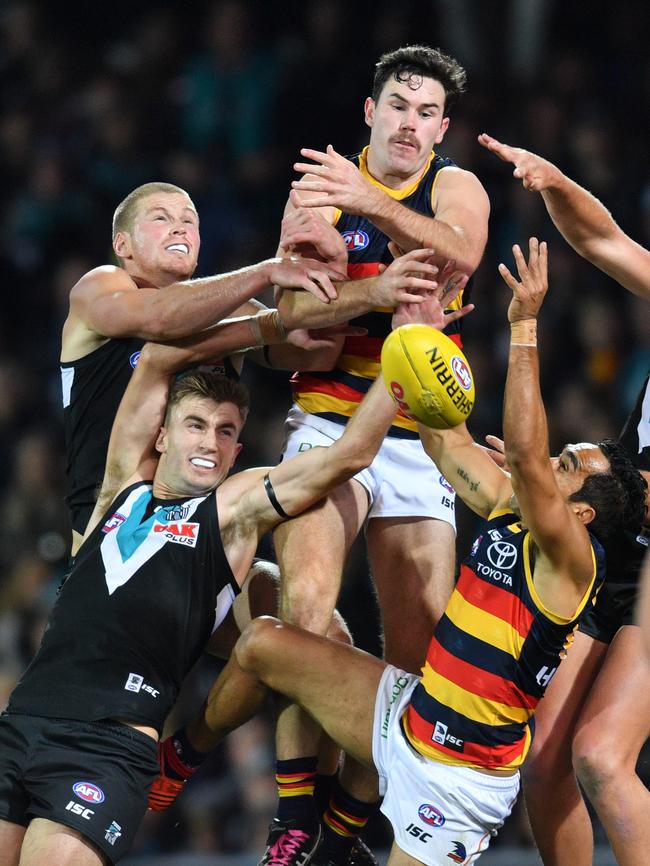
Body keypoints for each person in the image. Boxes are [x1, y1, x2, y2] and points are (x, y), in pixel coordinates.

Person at [191, 237, 647, 866]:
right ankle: (182, 759)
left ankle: (337, 843)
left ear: (583, 512)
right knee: (266, 641)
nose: (551, 461)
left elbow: (524, 457)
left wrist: (523, 327)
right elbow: (442, 441)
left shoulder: (575, 557)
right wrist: (415, 342)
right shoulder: (511, 504)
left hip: (458, 780)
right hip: (410, 717)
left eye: (566, 466)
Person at [0, 283, 426, 866]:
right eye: (196, 425)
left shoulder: (231, 508)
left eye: (226, 432)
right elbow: (154, 357)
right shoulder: (118, 490)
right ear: (162, 435)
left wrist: (406, 350)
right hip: (20, 723)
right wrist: (269, 323)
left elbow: (347, 454)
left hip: (107, 747)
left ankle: (316, 823)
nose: (210, 443)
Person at [257, 44, 490, 862]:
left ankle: (348, 832)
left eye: (427, 113)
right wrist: (368, 292)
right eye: (399, 105)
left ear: (442, 128)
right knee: (306, 615)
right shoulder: (316, 189)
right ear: (370, 110)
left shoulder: (453, 187)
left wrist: (371, 206)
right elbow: (296, 344)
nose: (411, 123)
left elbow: (460, 255)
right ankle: (291, 824)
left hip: (421, 440)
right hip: (330, 421)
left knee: (420, 661)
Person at [479, 133, 650, 866]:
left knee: (601, 761)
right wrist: (553, 182)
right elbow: (601, 238)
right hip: (623, 532)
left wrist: (558, 477)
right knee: (542, 761)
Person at [60, 180, 350, 556]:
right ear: (122, 245)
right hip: (110, 531)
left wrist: (334, 266)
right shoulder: (99, 286)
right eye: (161, 218)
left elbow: (315, 354)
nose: (180, 227)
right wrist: (266, 272)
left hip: (198, 535)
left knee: (282, 604)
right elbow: (160, 318)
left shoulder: (229, 309)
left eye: (189, 221)